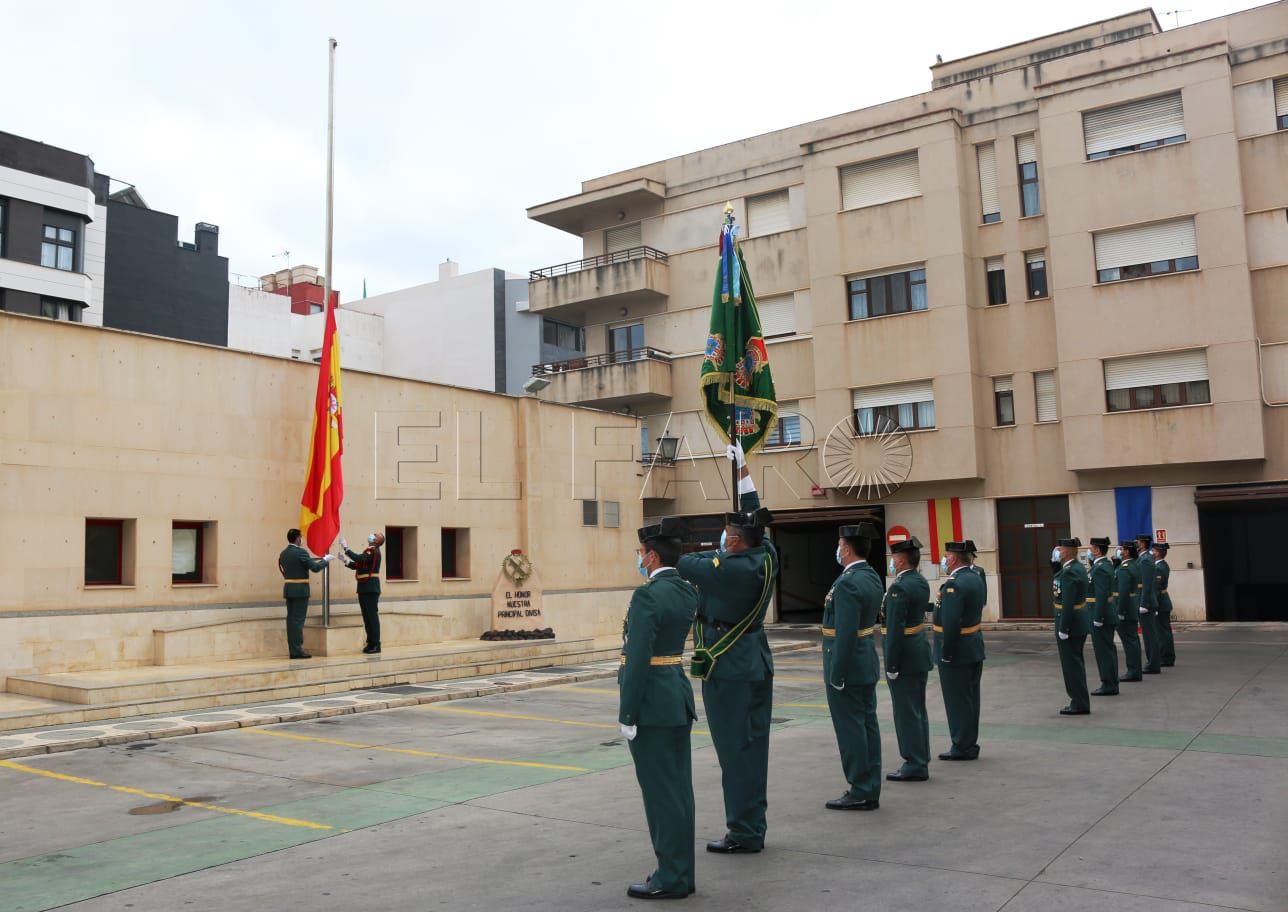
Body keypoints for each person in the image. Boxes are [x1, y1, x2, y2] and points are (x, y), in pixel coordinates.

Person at [677, 443, 778, 854]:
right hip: (753, 661)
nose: (720, 541)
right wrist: (743, 471)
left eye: (725, 536)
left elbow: (683, 564)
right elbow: (757, 517)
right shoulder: (766, 553)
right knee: (753, 751)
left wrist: (665, 550)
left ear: (735, 542)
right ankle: (753, 824)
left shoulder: (733, 570)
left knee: (736, 754)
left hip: (730, 669)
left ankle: (744, 832)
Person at [620, 517, 699, 900]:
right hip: (676, 697)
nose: (639, 559)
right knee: (679, 791)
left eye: (640, 553)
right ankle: (683, 871)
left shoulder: (647, 595)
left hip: (651, 704)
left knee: (660, 794)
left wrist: (627, 714)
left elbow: (636, 659)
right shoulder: (685, 590)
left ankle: (670, 876)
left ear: (651, 556)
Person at [821, 522, 883, 810]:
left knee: (851, 729)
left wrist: (837, 672)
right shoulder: (870, 576)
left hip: (847, 665)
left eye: (839, 545)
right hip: (865, 661)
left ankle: (860, 787)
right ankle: (870, 785)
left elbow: (844, 634)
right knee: (867, 725)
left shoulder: (846, 582)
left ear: (845, 549)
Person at [882, 536, 932, 782]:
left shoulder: (899, 587)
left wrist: (891, 664)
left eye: (894, 558)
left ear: (900, 560)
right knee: (917, 709)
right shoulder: (919, 581)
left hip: (905, 658)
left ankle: (914, 762)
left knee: (906, 712)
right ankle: (921, 757)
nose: (892, 562)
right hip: (918, 652)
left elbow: (894, 630)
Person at [933, 541, 986, 761]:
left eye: (946, 556)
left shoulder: (954, 584)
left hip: (958, 651)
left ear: (954, 558)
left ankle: (962, 746)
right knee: (970, 699)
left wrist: (947, 651)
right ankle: (969, 743)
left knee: (957, 701)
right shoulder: (975, 578)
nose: (944, 560)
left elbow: (952, 623)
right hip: (973, 646)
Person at [277, 528, 334, 659]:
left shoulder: (283, 553)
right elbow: (315, 568)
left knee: (291, 621)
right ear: (297, 539)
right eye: (301, 537)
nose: (301, 539)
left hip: (289, 589)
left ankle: (293, 649)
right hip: (300, 590)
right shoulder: (301, 553)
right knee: (297, 622)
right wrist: (325, 560)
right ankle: (297, 651)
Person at [1053, 537, 1091, 715]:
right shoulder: (1075, 568)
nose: (1058, 552)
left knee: (1072, 665)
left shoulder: (1069, 572)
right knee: (1075, 662)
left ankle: (1079, 702)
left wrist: (1063, 628)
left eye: (1060, 550)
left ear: (1066, 551)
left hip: (1070, 623)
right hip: (1078, 621)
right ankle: (1080, 700)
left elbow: (1067, 602)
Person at [341, 531, 384, 654]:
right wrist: (346, 561)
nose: (372, 535)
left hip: (370, 588)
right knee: (367, 618)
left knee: (372, 617)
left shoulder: (373, 551)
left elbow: (360, 558)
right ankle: (370, 643)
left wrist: (346, 548)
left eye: (375, 535)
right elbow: (359, 565)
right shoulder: (369, 551)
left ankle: (376, 644)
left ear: (377, 541)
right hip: (364, 587)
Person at [1087, 537, 1119, 696]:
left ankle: (1108, 683)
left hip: (1101, 615)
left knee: (1103, 651)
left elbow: (1101, 595)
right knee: (1108, 649)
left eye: (1091, 548)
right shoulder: (1102, 565)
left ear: (1098, 550)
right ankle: (1112, 682)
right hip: (1104, 614)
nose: (1089, 551)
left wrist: (1098, 617)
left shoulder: (1100, 567)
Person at [1115, 540, 1144, 683]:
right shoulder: (1134, 565)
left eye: (1121, 549)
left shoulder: (1125, 568)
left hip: (1126, 609)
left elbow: (1123, 592)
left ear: (1126, 552)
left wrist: (1120, 611)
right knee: (1133, 639)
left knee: (1129, 641)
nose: (1120, 551)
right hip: (1132, 607)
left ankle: (1133, 671)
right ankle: (1135, 670)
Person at [1135, 534, 1162, 674]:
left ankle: (1153, 664)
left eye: (1137, 542)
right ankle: (1152, 662)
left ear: (1143, 544)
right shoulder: (1143, 558)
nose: (1136, 544)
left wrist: (1143, 603)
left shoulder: (1145, 559)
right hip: (1145, 600)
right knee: (1148, 634)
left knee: (1150, 635)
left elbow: (1146, 584)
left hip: (1146, 602)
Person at [1153, 542, 1176, 667]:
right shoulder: (1159, 565)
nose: (1152, 553)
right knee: (1162, 631)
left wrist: (1154, 604)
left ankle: (1166, 657)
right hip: (1162, 602)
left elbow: (1156, 587)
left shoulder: (1160, 567)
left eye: (1154, 551)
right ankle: (1166, 656)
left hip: (1161, 603)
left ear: (1159, 553)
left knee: (1163, 632)